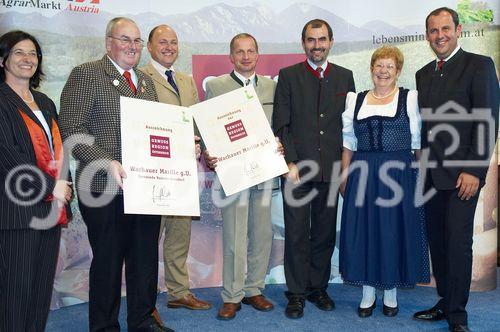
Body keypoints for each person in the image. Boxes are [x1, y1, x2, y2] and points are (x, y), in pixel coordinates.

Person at [59, 17, 172, 332]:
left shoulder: (145, 81)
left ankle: (142, 320)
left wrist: (177, 148)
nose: (132, 46)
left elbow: (153, 131)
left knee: (144, 260)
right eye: (125, 39)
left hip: (143, 188)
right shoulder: (87, 74)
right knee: (108, 262)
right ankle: (104, 326)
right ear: (108, 42)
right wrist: (105, 160)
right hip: (101, 186)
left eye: (136, 41)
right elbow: (71, 129)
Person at [413, 7, 499, 332]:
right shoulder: (423, 73)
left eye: (445, 28)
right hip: (432, 176)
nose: (440, 36)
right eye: (433, 31)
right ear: (427, 36)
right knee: (439, 242)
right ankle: (445, 302)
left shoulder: (479, 66)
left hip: (464, 176)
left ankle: (458, 316)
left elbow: (488, 120)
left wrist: (475, 170)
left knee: (458, 243)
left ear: (458, 30)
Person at [339, 45, 430, 318]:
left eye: (390, 66)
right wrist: (344, 178)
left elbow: (418, 144)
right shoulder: (355, 100)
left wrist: (422, 179)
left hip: (399, 173)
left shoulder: (410, 99)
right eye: (379, 65)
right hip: (363, 173)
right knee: (366, 231)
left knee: (392, 232)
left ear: (398, 71)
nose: (383, 71)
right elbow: (348, 144)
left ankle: (390, 292)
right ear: (371, 69)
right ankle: (368, 292)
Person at [272, 18, 355, 319]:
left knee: (323, 234)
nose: (316, 45)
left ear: (330, 42)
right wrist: (290, 163)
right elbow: (281, 122)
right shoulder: (289, 76)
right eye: (311, 39)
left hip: (331, 170)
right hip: (297, 170)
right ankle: (295, 294)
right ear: (303, 43)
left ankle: (317, 288)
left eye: (322, 39)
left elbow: (349, 128)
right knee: (295, 234)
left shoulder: (345, 77)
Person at [0, 30, 72, 331]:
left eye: (32, 53)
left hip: (49, 210)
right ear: (2, 59)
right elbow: (6, 155)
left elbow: (58, 148)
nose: (27, 59)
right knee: (14, 295)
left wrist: (63, 185)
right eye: (18, 52)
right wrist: (49, 185)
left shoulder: (44, 101)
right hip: (17, 212)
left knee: (40, 293)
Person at [203, 33, 277, 320]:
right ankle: (232, 295)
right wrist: (209, 153)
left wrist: (280, 144)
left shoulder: (272, 87)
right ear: (231, 56)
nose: (246, 57)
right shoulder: (217, 86)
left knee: (261, 235)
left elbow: (279, 126)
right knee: (234, 237)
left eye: (251, 51)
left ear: (258, 55)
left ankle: (254, 289)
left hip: (263, 172)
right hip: (233, 174)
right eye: (239, 52)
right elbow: (208, 127)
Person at [142, 24, 211, 311]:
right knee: (147, 238)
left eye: (173, 42)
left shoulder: (186, 81)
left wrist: (198, 146)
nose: (169, 47)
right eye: (162, 42)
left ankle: (178, 292)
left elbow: (194, 121)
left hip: (184, 171)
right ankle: (144, 301)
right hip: (153, 170)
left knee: (179, 235)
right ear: (149, 46)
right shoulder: (139, 78)